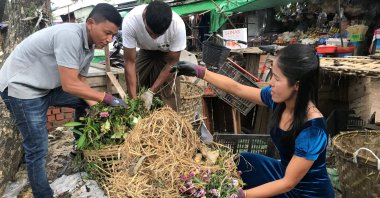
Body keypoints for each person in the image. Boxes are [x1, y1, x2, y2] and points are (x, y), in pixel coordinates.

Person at [171, 44, 335, 198]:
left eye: (277, 79)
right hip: (284, 173)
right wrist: (200, 72)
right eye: (272, 75)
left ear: (297, 85)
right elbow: (237, 88)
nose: (271, 83)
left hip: (304, 192)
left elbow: (288, 183)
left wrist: (240, 194)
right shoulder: (279, 101)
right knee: (243, 161)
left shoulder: (313, 130)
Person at [0, 3, 126, 198]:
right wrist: (107, 98)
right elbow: (69, 85)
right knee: (38, 148)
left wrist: (97, 107)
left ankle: (81, 147)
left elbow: (81, 83)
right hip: (21, 89)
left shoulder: (89, 47)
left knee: (83, 102)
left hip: (45, 88)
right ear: (91, 23)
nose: (109, 40)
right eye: (107, 33)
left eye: (113, 36)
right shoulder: (69, 36)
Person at [122, 1, 186, 110]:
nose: (154, 38)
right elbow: (129, 62)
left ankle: (168, 122)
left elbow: (172, 63)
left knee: (167, 93)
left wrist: (151, 91)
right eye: (151, 33)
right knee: (135, 84)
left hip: (167, 54)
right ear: (144, 16)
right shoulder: (131, 21)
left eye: (159, 34)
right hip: (145, 51)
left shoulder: (177, 25)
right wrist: (133, 103)